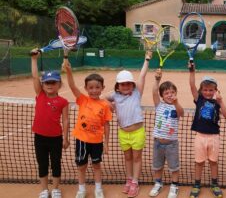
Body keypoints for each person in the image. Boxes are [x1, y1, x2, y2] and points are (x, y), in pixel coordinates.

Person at [62, 58, 112, 198]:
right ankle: (82, 189)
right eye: (91, 88)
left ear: (102, 88)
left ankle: (98, 189)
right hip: (82, 140)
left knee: (96, 166)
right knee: (81, 166)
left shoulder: (105, 105)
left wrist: (106, 143)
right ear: (86, 89)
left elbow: (106, 125)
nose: (94, 90)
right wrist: (69, 71)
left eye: (97, 87)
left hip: (97, 142)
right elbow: (72, 86)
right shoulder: (83, 99)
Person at [106, 51, 152, 198]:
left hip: (137, 132)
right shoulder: (115, 95)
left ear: (132, 85)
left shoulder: (137, 92)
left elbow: (142, 76)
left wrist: (147, 59)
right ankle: (129, 179)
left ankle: (135, 182)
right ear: (117, 86)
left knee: (137, 158)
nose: (125, 86)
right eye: (122, 84)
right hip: (123, 133)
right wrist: (109, 104)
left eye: (128, 83)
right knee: (127, 158)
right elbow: (99, 97)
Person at [31, 49, 69, 198]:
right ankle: (44, 190)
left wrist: (65, 138)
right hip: (39, 137)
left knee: (56, 164)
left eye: (53, 82)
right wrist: (34, 60)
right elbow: (35, 77)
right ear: (43, 84)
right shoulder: (40, 95)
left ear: (59, 84)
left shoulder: (63, 101)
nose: (50, 85)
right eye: (47, 82)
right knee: (42, 164)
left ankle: (56, 189)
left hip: (56, 138)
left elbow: (66, 120)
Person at [188, 62, 226, 198]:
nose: (208, 92)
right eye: (205, 89)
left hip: (214, 137)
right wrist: (192, 71)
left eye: (211, 90)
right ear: (201, 91)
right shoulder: (198, 99)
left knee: (213, 162)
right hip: (200, 136)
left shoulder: (217, 102)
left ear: (216, 91)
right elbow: (191, 85)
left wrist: (221, 101)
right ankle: (196, 185)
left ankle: (214, 184)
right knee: (199, 162)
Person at [149, 68, 184, 198]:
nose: (170, 94)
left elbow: (182, 113)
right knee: (157, 166)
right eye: (167, 93)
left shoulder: (176, 106)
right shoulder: (159, 105)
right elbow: (154, 92)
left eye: (172, 92)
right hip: (158, 142)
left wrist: (176, 102)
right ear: (162, 95)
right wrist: (157, 80)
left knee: (174, 167)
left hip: (172, 144)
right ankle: (158, 184)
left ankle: (174, 186)